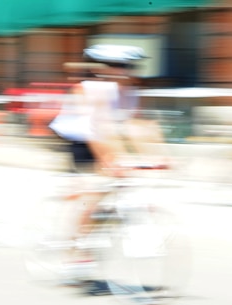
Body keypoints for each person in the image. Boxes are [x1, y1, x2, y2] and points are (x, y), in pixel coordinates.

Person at [49, 44, 166, 275]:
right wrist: (110, 160)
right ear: (103, 68)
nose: (123, 71)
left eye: (127, 66)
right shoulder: (88, 90)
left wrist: (159, 154)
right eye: (116, 66)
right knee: (92, 192)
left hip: (108, 136)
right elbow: (93, 129)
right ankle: (76, 250)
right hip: (81, 138)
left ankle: (112, 223)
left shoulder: (131, 92)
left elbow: (136, 126)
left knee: (126, 183)